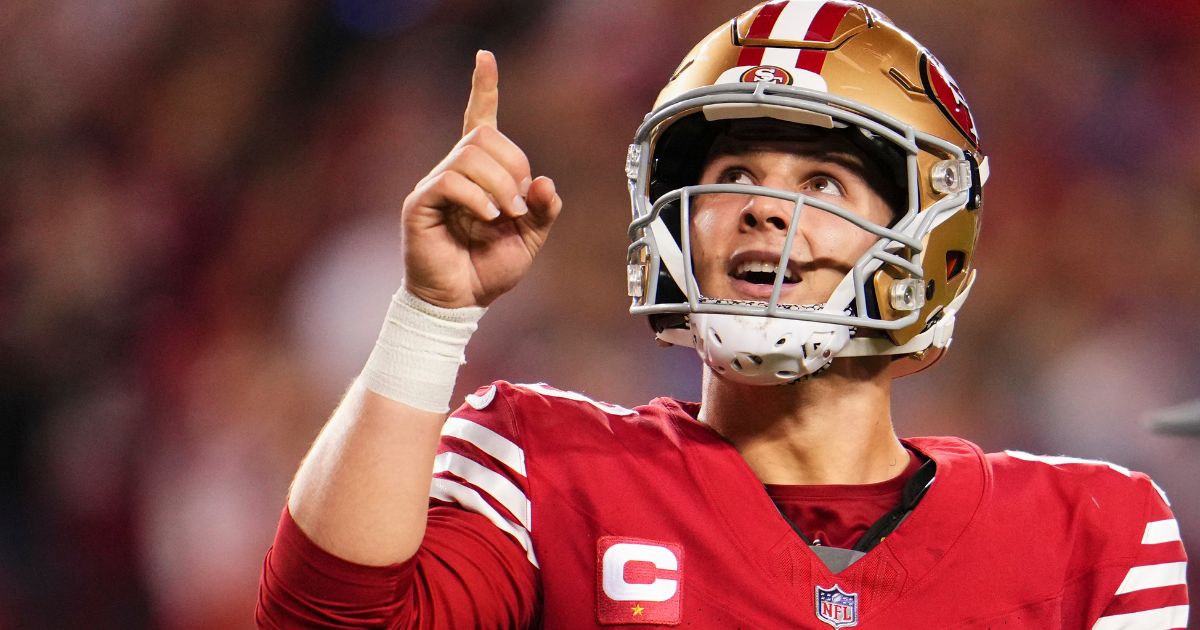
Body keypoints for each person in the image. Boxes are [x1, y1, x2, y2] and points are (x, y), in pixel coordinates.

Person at [257, 1, 1189, 628]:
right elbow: (325, 618)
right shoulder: (544, 467)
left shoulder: (1095, 536)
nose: (764, 208)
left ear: (928, 240)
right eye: (733, 175)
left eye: (820, 180)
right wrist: (431, 315)